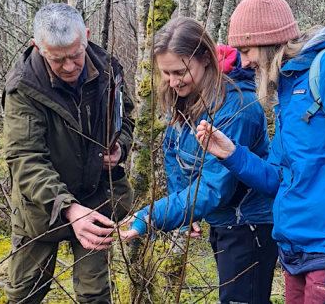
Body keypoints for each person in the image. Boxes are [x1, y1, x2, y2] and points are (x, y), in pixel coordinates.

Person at [195, 0, 325, 304]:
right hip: (297, 255)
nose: (244, 60)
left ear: (268, 40)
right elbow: (279, 179)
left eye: (246, 49)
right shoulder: (290, 89)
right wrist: (231, 154)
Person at [119, 17, 277, 304]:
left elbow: (214, 189)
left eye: (180, 72)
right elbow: (172, 152)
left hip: (248, 226)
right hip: (222, 221)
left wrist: (151, 217)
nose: (172, 81)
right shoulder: (183, 98)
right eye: (166, 73)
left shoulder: (237, 109)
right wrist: (186, 214)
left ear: (205, 58)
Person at [2, 3, 135, 304]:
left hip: (96, 196)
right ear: (38, 47)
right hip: (40, 208)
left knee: (95, 294)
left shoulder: (109, 70)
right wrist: (67, 208)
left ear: (86, 37)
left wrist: (120, 146)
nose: (69, 66)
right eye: (57, 59)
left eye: (75, 55)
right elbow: (25, 157)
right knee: (24, 294)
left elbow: (125, 117)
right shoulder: (24, 88)